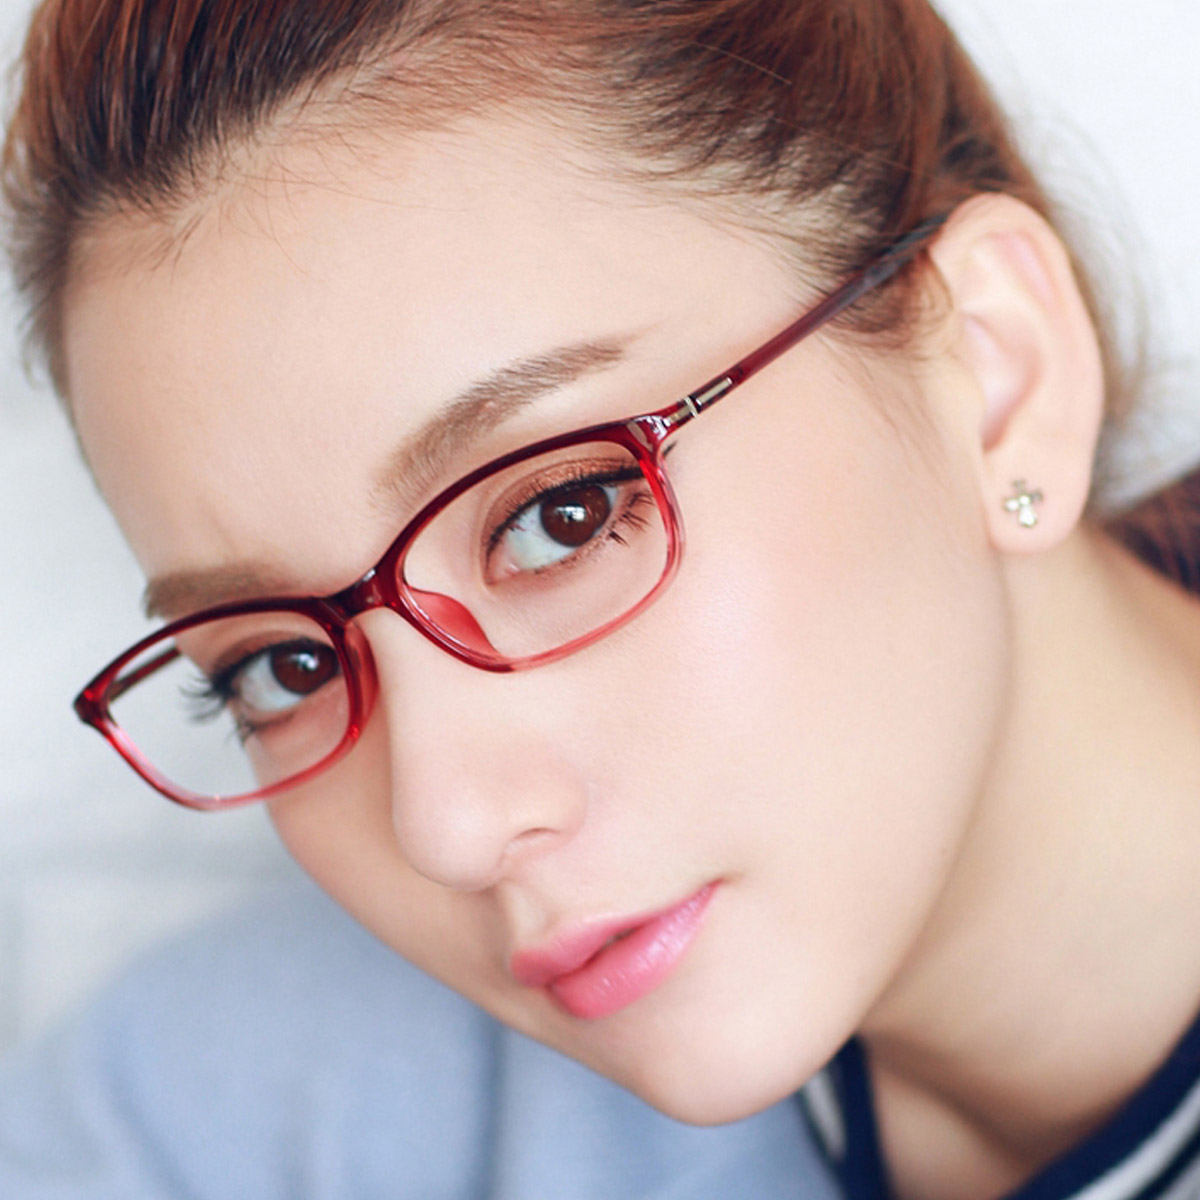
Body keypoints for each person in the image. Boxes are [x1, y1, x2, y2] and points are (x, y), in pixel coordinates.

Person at [2, 1, 1199, 1198]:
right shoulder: (202, 1121)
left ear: (994, 375)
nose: (447, 829)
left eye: (560, 516)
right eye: (282, 666)